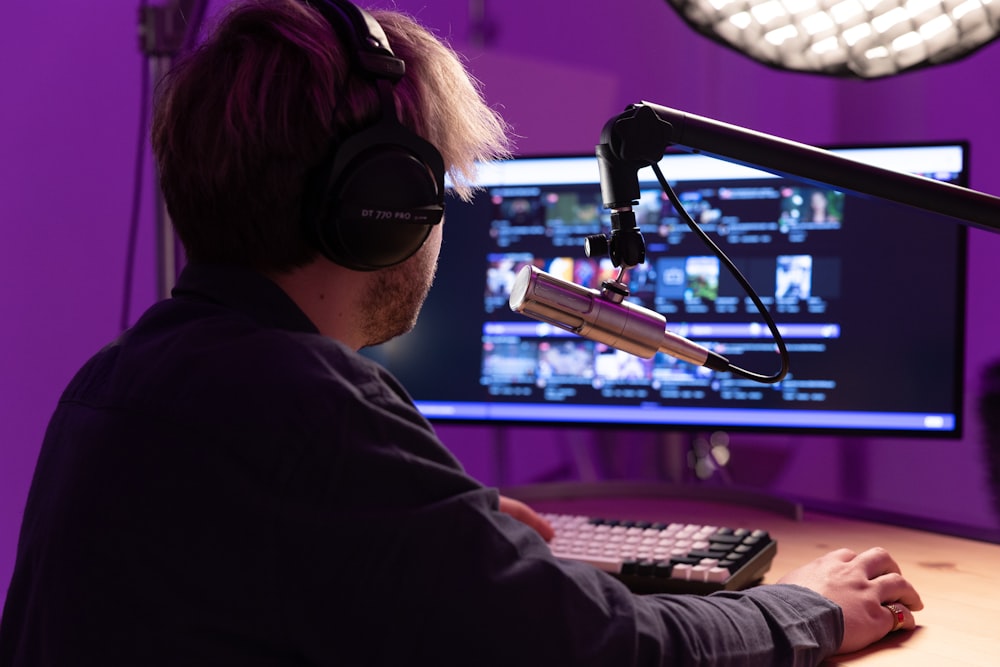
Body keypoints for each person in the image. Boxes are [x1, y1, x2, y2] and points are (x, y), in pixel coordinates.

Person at [0, 1, 922, 665]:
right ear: (381, 205)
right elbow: (605, 649)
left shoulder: (116, 379)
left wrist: (457, 556)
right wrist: (806, 609)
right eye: (437, 189)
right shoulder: (307, 406)